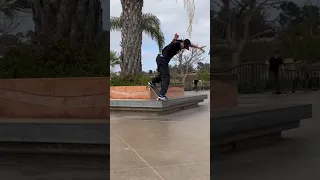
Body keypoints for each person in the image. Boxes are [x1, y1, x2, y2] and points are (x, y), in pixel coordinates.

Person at [148, 33, 205, 100]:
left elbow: (190, 44)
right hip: (162, 59)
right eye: (184, 46)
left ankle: (152, 82)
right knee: (166, 77)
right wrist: (174, 40)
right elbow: (171, 44)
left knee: (162, 75)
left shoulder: (181, 42)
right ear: (182, 42)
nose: (183, 47)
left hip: (163, 60)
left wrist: (198, 47)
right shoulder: (176, 44)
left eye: (185, 47)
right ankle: (162, 95)